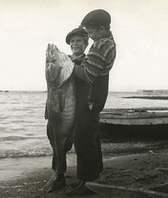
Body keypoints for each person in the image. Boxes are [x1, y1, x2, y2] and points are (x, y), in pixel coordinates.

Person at [67, 9, 116, 195]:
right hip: (96, 99)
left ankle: (87, 182)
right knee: (92, 136)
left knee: (82, 138)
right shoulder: (109, 43)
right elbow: (93, 67)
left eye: (91, 32)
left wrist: (71, 65)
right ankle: (95, 175)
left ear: (102, 29)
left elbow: (88, 76)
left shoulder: (100, 45)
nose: (89, 35)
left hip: (89, 99)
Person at [43, 27, 89, 193]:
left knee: (82, 144)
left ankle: (84, 180)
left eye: (78, 41)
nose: (75, 44)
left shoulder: (87, 61)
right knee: (55, 141)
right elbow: (52, 86)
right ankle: (58, 173)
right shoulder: (65, 62)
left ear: (86, 43)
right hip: (57, 109)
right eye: (72, 41)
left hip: (81, 110)